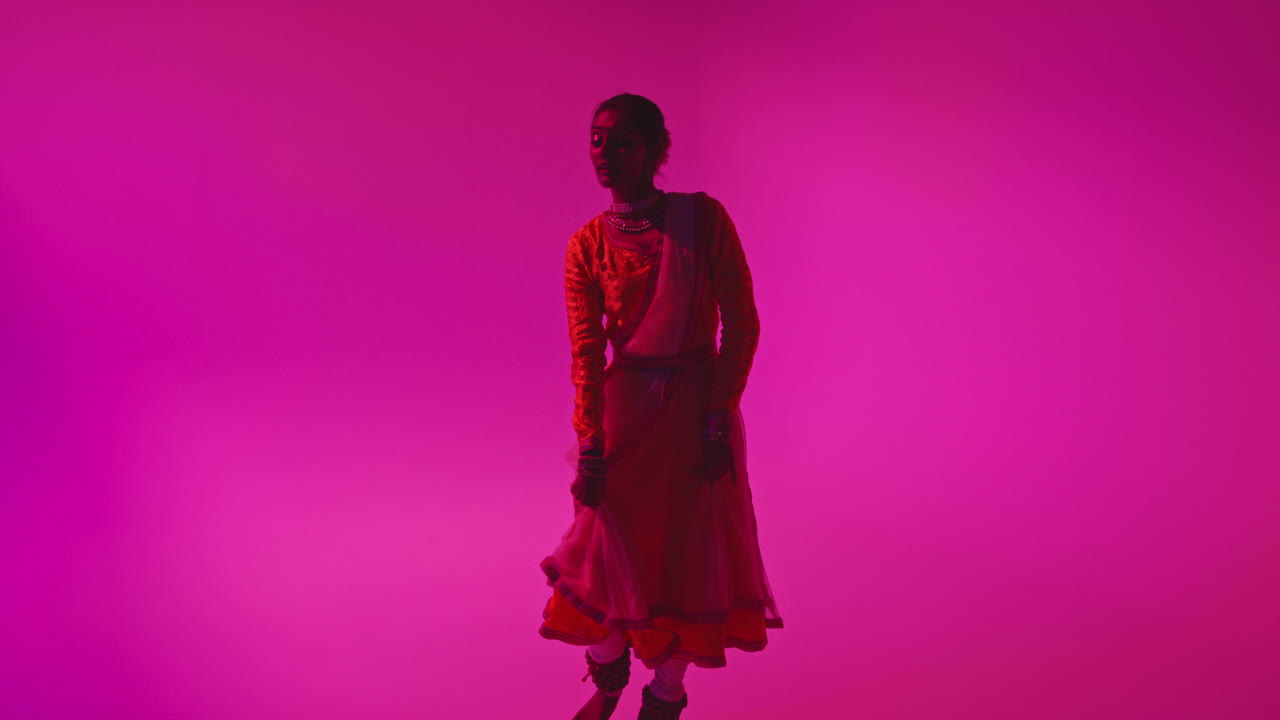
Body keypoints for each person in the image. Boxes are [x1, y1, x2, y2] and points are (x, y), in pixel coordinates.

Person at [539, 93, 783, 720]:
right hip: (627, 417)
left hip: (699, 412)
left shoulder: (703, 221)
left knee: (688, 552)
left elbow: (744, 325)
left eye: (623, 141)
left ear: (656, 150)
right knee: (603, 547)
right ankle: (610, 670)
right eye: (597, 139)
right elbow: (586, 353)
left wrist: (716, 415)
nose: (605, 153)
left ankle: (666, 695)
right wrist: (591, 441)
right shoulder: (586, 245)